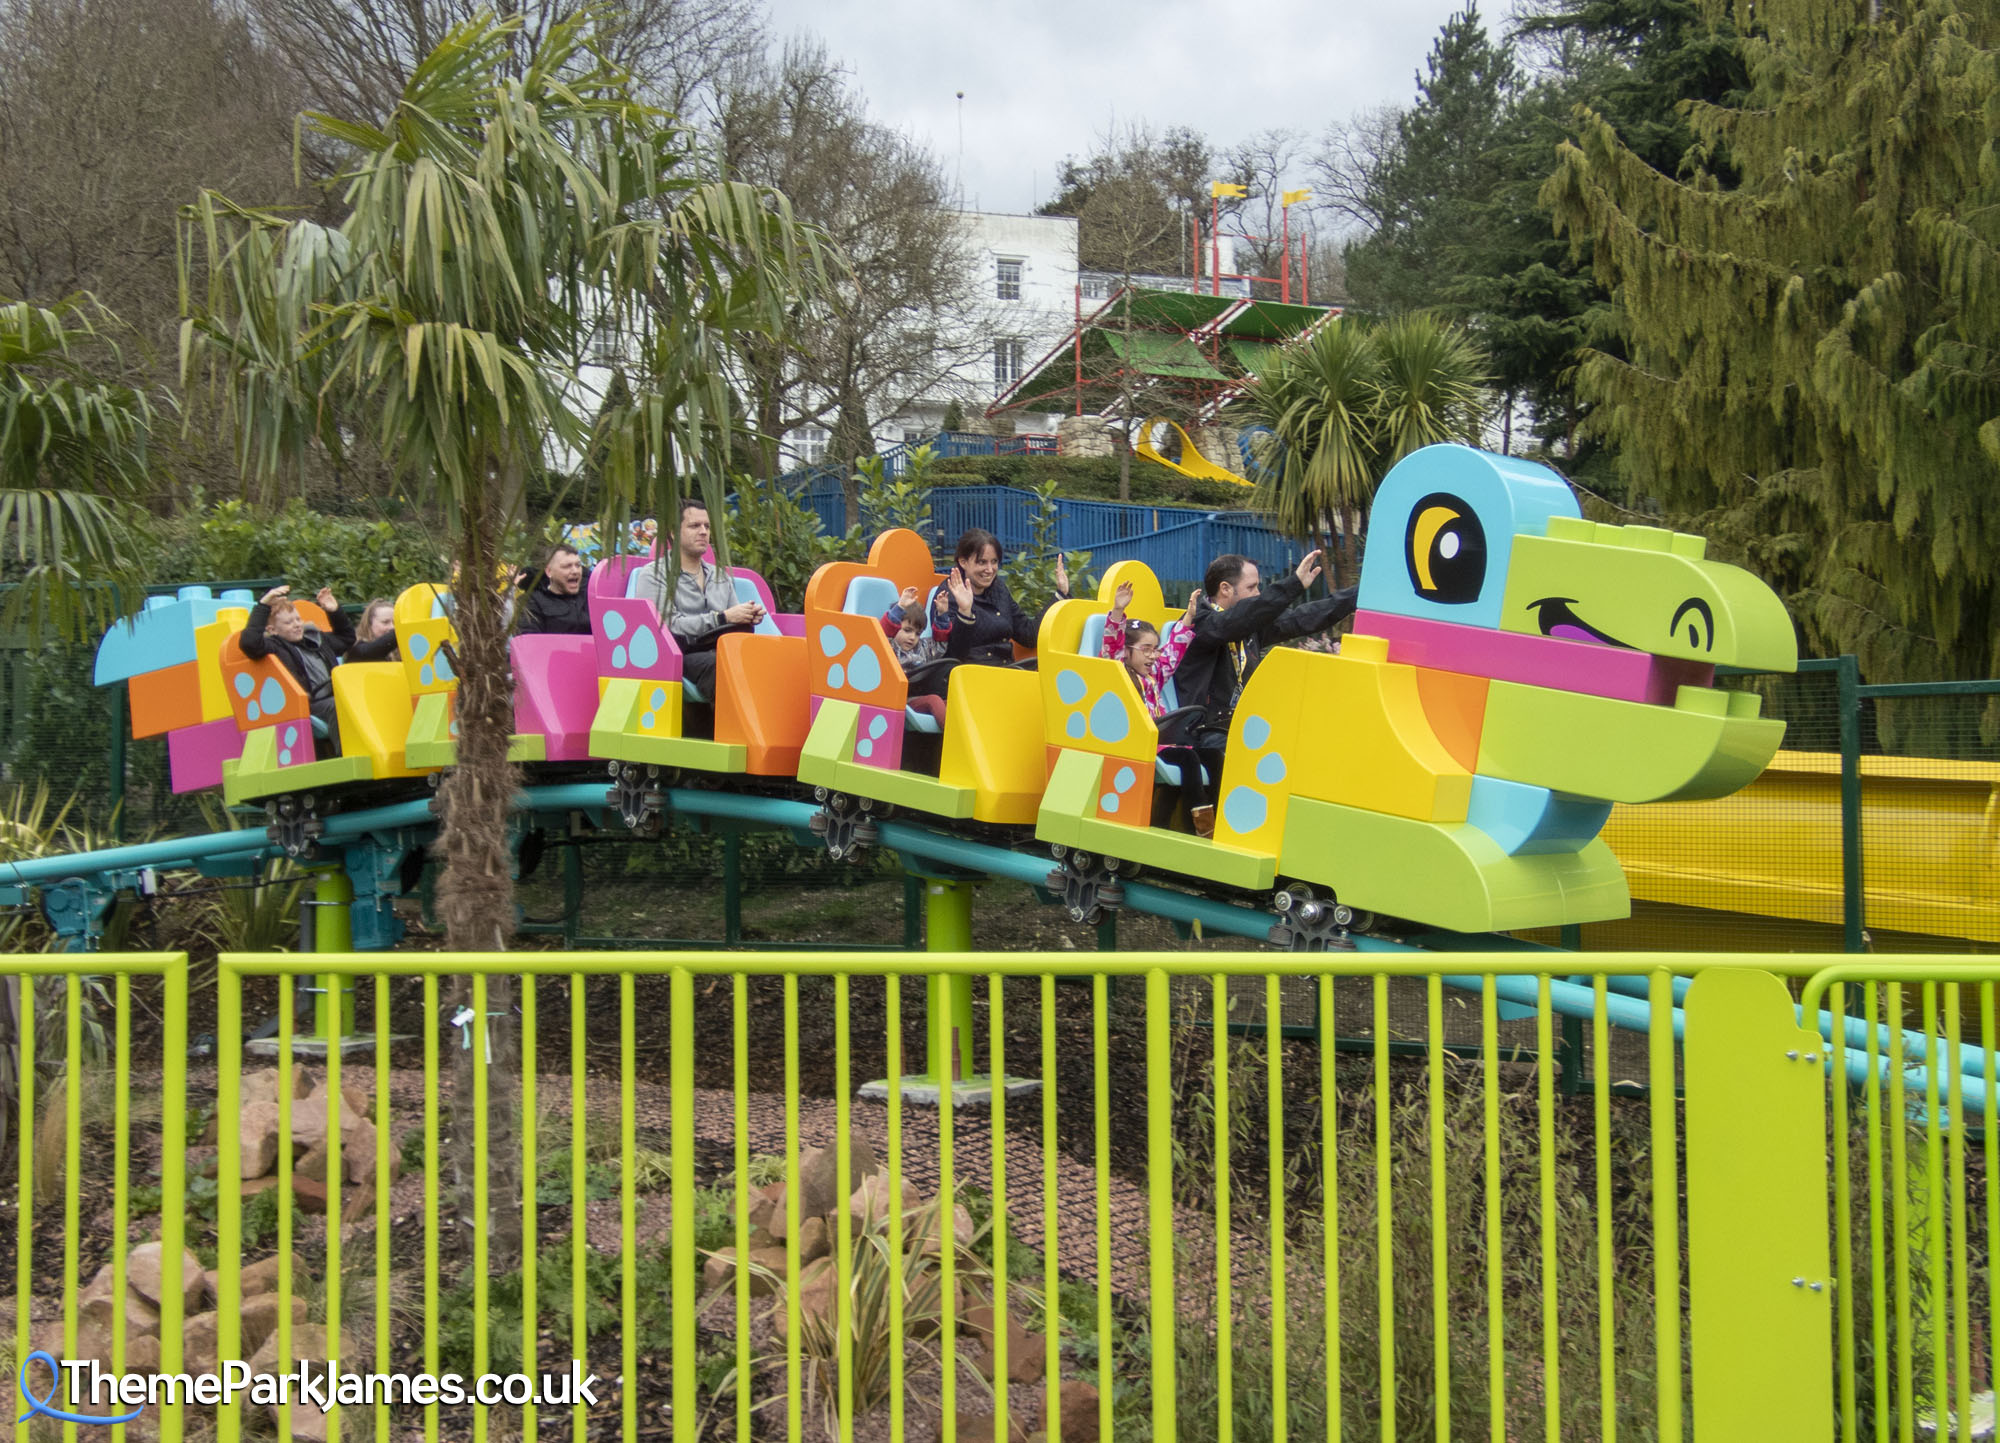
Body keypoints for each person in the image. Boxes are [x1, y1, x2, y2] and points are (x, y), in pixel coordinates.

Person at [1177, 550, 1358, 757]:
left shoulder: (1249, 626)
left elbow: (1302, 618)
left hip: (1240, 725)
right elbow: (1242, 617)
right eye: (1251, 587)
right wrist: (1295, 583)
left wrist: (1357, 596)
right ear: (1225, 589)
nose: (1258, 594)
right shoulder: (1199, 623)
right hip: (1204, 732)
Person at [1100, 583, 1225, 835]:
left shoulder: (1153, 676)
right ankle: (1199, 829)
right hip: (1139, 745)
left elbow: (1173, 654)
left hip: (1163, 743)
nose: (1153, 656)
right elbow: (1111, 648)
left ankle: (1221, 819)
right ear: (1126, 652)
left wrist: (1189, 618)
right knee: (1188, 758)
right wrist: (1116, 612)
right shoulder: (1120, 675)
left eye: (1154, 649)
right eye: (1145, 649)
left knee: (1212, 755)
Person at [630, 499, 764, 697]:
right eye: (694, 526)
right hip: (678, 654)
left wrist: (747, 615)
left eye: (707, 526)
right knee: (723, 666)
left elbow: (734, 628)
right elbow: (666, 627)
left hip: (720, 650)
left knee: (768, 658)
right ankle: (733, 726)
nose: (703, 532)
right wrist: (723, 617)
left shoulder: (720, 576)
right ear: (674, 533)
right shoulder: (655, 574)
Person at [240, 585, 355, 755]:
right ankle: (347, 754)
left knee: (356, 698)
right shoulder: (276, 646)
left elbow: (347, 639)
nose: (296, 625)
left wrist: (334, 611)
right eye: (288, 622)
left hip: (334, 694)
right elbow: (249, 643)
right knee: (337, 706)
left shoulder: (316, 640)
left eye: (298, 620)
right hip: (307, 703)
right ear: (272, 630)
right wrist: (263, 605)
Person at [939, 528, 1069, 666]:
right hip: (969, 676)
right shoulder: (947, 594)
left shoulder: (998, 590)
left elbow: (1028, 635)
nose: (989, 570)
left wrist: (1060, 594)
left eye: (994, 562)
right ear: (963, 562)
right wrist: (965, 613)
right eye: (982, 562)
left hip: (1007, 670)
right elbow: (952, 655)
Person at [881, 585, 953, 724]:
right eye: (907, 630)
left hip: (919, 695)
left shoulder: (923, 647)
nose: (912, 637)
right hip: (898, 699)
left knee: (952, 702)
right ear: (896, 626)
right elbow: (883, 631)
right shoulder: (888, 645)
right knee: (934, 701)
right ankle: (952, 735)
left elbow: (940, 645)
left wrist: (942, 615)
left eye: (917, 633)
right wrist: (900, 607)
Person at [518, 543, 590, 635]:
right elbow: (528, 641)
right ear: (549, 571)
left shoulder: (590, 597)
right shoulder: (532, 602)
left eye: (578, 565)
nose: (575, 571)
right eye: (567, 566)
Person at [346, 597, 399, 663]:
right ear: (369, 623)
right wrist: (402, 631)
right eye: (385, 622)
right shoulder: (357, 648)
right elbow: (373, 650)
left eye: (395, 622)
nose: (392, 627)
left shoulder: (398, 649)